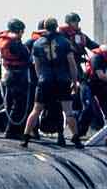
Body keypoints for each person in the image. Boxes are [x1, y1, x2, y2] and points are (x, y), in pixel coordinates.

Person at [22, 16, 82, 148]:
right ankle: (76, 139)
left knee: (36, 109)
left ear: (44, 27)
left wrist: (40, 79)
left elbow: (36, 66)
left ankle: (25, 138)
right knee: (68, 111)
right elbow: (72, 64)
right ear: (56, 27)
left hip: (45, 81)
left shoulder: (37, 43)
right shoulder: (65, 42)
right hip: (62, 81)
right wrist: (75, 81)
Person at [0, 17, 32, 137]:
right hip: (18, 75)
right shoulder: (16, 43)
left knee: (8, 102)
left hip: (7, 74)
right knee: (19, 103)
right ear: (18, 30)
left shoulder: (1, 41)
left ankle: (2, 125)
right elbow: (26, 59)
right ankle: (11, 131)